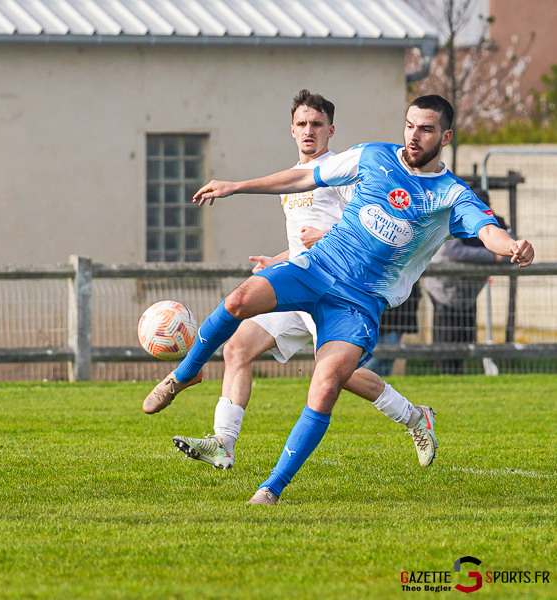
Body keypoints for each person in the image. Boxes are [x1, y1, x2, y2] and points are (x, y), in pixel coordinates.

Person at [144, 94, 534, 506]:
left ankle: (270, 489)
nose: (414, 136)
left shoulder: (450, 194)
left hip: (359, 302)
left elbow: (485, 229)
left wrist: (510, 246)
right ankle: (185, 377)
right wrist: (235, 187)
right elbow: (303, 178)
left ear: (446, 136)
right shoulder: (371, 156)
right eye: (409, 125)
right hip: (315, 269)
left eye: (426, 129)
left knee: (328, 382)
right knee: (240, 302)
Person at [169, 90, 436, 471]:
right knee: (237, 349)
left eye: (316, 124)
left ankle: (414, 417)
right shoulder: (294, 181)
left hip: (336, 286)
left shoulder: (343, 172)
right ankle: (223, 443)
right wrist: (278, 260)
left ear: (331, 130)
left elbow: (366, 228)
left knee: (341, 376)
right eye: (301, 124)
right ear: (291, 130)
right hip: (301, 280)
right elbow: (302, 241)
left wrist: (325, 235)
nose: (308, 131)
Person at [424, 189, 509, 374]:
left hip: (468, 289)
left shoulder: (496, 223)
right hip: (443, 286)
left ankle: (458, 372)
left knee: (466, 334)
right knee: (447, 334)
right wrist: (493, 257)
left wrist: (503, 250)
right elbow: (456, 252)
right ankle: (445, 374)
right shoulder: (455, 219)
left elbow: (512, 247)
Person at [362, 282, 421, 377]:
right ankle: (361, 376)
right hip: (387, 317)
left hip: (398, 317)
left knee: (388, 356)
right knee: (386, 352)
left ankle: (375, 382)